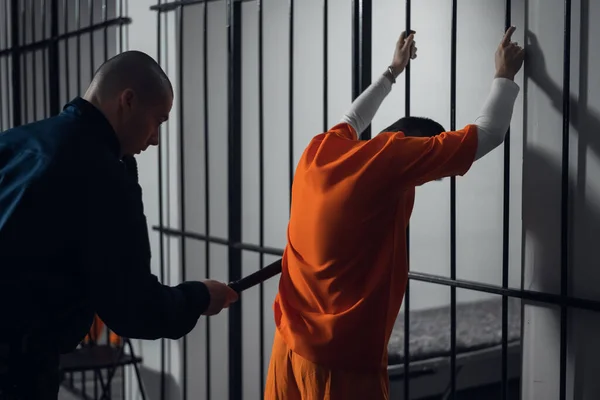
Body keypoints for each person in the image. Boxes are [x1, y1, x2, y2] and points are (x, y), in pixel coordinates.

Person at [265, 27, 525, 399]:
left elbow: (352, 117)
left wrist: (392, 72)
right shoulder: (392, 161)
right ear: (409, 149)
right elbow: (490, 133)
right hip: (341, 363)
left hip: (287, 349)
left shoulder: (322, 149)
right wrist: (504, 74)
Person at [0, 50, 238, 399]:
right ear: (127, 100)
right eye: (158, 120)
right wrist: (200, 296)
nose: (155, 139)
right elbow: (133, 308)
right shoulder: (101, 174)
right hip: (16, 371)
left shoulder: (15, 142)